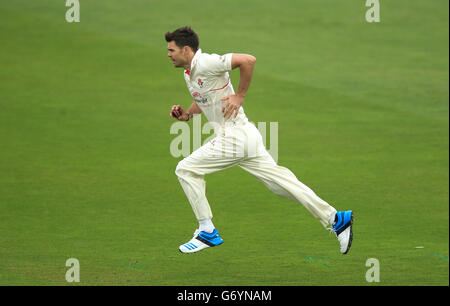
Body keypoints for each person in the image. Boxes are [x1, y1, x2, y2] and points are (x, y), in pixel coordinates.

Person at [165, 26, 354, 254]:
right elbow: (204, 99)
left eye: (171, 50)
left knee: (185, 169)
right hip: (246, 137)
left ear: (186, 50)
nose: (168, 54)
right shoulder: (190, 73)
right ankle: (336, 218)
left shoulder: (206, 62)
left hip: (234, 138)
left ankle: (207, 230)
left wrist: (240, 96)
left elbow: (248, 60)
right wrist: (187, 114)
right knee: (280, 185)